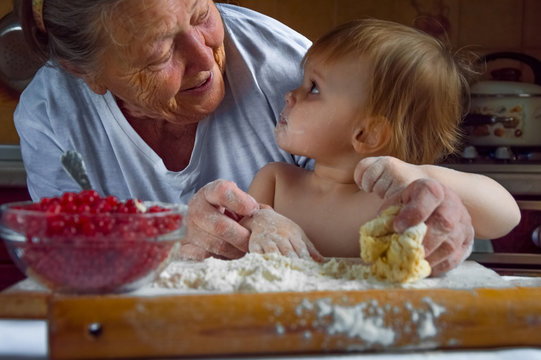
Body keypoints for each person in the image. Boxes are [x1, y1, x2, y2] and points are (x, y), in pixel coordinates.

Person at [13, 0, 516, 275]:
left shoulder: (286, 68)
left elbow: (499, 213)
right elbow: (67, 257)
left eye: (200, 15)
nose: (206, 58)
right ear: (87, 74)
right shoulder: (52, 114)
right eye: (159, 52)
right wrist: (177, 238)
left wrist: (425, 181)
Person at [238, 19, 521, 275]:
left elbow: (507, 216)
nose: (290, 95)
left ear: (367, 134)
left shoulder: (400, 203)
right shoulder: (275, 182)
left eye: (313, 88)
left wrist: (422, 175)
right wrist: (259, 223)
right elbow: (238, 245)